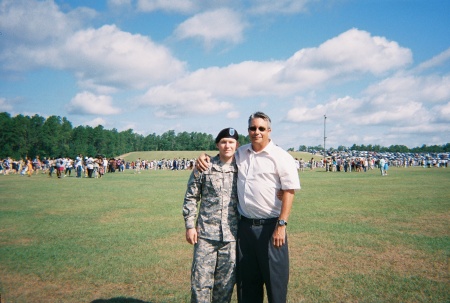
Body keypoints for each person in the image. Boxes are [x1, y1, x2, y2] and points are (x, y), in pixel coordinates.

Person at [197, 112, 301, 303]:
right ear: (248, 131)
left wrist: (282, 224)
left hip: (271, 229)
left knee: (275, 285)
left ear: (269, 131)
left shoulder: (281, 156)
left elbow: (289, 191)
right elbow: (222, 155)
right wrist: (204, 156)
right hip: (244, 229)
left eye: (261, 128)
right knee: (247, 287)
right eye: (253, 128)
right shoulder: (241, 153)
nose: (257, 132)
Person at [183, 127, 240, 303]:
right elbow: (191, 197)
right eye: (223, 142)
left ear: (237, 145)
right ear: (217, 144)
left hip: (231, 237)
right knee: (200, 284)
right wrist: (190, 225)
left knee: (225, 286)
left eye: (231, 142)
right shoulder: (204, 166)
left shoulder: (243, 169)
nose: (227, 145)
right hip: (206, 235)